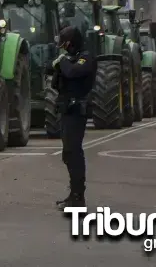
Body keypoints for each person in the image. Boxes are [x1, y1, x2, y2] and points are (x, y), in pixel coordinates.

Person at [52, 24, 97, 209]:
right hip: (66, 110)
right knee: (68, 154)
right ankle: (73, 194)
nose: (63, 49)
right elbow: (57, 80)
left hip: (77, 110)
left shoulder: (86, 58)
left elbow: (72, 72)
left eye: (65, 45)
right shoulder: (71, 59)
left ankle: (79, 197)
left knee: (74, 152)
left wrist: (62, 61)